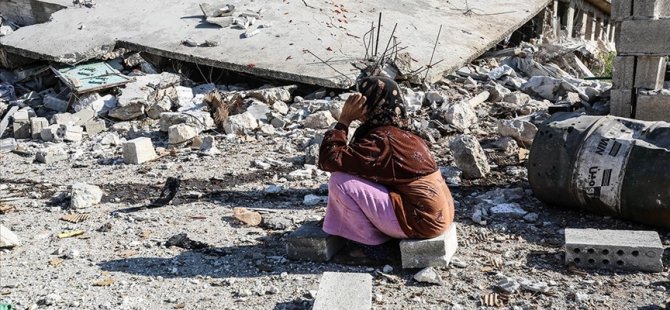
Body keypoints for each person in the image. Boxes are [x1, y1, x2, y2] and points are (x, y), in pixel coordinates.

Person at [317, 76, 455, 248]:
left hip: (425, 221)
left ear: (372, 103)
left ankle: (371, 246)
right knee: (357, 176)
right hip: (439, 215)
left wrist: (344, 120)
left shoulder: (384, 140)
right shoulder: (404, 133)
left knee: (340, 182)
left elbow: (329, 160)